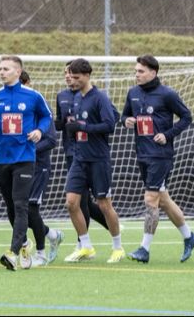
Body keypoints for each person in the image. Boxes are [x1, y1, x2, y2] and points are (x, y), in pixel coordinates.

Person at [122, 55, 194, 264]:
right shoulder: (133, 93)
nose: (136, 74)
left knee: (150, 199)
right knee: (163, 200)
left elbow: (186, 117)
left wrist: (167, 134)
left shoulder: (167, 94)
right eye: (136, 71)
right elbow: (124, 116)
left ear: (153, 73)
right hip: (142, 154)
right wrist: (126, 121)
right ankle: (189, 236)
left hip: (161, 155)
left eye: (140, 71)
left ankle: (144, 249)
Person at [0, 55, 50, 270]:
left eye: (6, 69)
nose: (1, 72)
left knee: (20, 204)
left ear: (18, 72)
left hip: (25, 157)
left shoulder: (33, 96)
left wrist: (38, 130)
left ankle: (13, 252)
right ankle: (25, 243)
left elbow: (46, 117)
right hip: (1, 158)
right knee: (10, 205)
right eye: (0, 68)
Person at [62, 58, 124, 263]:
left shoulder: (100, 98)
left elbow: (110, 125)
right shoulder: (76, 98)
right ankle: (86, 246)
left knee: (104, 204)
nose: (73, 80)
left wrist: (83, 127)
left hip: (98, 159)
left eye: (77, 77)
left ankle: (117, 247)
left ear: (87, 76)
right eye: (71, 76)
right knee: (72, 203)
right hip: (79, 159)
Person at [55, 62, 109, 248]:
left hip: (93, 153)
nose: (69, 77)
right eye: (66, 73)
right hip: (73, 153)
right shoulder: (62, 96)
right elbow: (60, 122)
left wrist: (83, 126)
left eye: (73, 74)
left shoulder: (95, 96)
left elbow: (111, 120)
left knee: (94, 201)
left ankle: (109, 233)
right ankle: (84, 243)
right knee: (75, 200)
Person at [19, 70, 64, 266]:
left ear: (28, 82)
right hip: (17, 166)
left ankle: (41, 253)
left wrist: (29, 150)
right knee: (18, 208)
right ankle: (51, 234)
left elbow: (51, 140)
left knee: (31, 207)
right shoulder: (11, 107)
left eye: (21, 83)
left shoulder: (38, 105)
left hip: (38, 167)